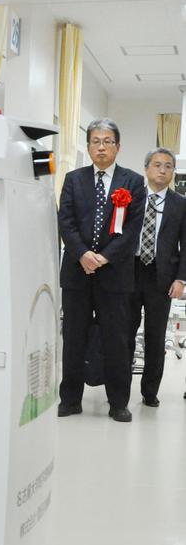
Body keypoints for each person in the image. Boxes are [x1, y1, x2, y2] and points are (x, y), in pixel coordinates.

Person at [58, 118, 146, 422]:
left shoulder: (133, 182)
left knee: (116, 340)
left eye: (107, 142)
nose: (101, 147)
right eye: (95, 141)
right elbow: (65, 221)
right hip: (76, 272)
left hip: (115, 276)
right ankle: (70, 399)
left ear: (118, 147)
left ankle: (118, 402)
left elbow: (132, 228)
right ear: (88, 146)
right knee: (73, 338)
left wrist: (104, 258)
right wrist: (82, 253)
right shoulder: (73, 179)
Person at [127, 147, 186, 406]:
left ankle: (149, 392)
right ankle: (119, 388)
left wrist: (181, 279)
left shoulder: (180, 204)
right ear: (146, 168)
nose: (162, 170)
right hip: (129, 273)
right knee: (123, 333)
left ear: (173, 172)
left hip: (161, 277)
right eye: (157, 165)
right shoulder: (131, 198)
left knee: (155, 336)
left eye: (168, 166)